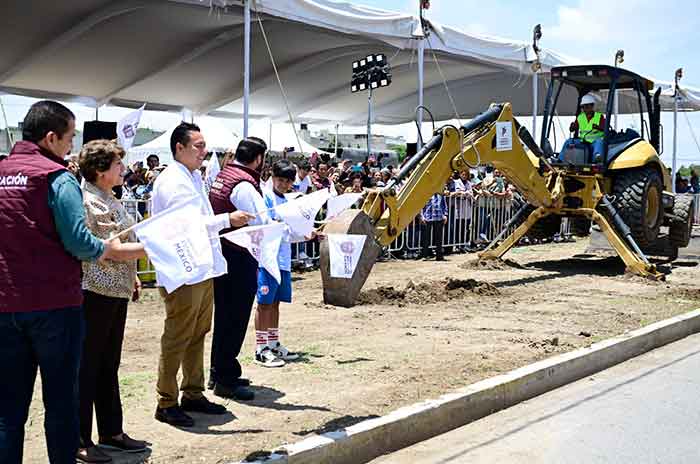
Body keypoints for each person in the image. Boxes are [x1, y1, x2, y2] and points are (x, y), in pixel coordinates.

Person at [0, 101, 141, 464]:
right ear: (50, 137)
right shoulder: (56, 177)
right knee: (60, 403)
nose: (71, 146)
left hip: (5, 304)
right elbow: (79, 242)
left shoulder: (1, 171)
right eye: (69, 137)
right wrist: (106, 249)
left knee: (8, 410)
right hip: (53, 305)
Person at [150, 122, 253, 428]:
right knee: (178, 335)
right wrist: (227, 219)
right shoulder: (173, 181)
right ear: (178, 148)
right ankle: (166, 400)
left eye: (203, 145)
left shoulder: (193, 176)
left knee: (197, 333)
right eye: (197, 145)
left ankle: (192, 392)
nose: (203, 151)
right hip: (183, 268)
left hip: (201, 267)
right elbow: (188, 224)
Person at [77, 140, 149, 463]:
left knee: (109, 364)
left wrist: (133, 274)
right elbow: (112, 249)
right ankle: (80, 437)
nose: (123, 169)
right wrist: (155, 249)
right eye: (117, 164)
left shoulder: (110, 198)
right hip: (95, 292)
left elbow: (124, 242)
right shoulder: (89, 201)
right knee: (88, 366)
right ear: (100, 171)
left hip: (115, 291)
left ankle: (111, 431)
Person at [208, 137, 268, 400]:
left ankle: (218, 370)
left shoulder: (224, 175)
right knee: (234, 317)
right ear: (259, 158)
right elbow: (262, 219)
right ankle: (226, 377)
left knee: (224, 317)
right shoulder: (244, 185)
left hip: (224, 253)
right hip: (238, 255)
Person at [254, 160, 313, 367]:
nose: (284, 184)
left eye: (288, 181)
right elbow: (272, 227)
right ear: (272, 176)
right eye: (280, 180)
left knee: (276, 303)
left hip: (283, 260)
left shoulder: (288, 200)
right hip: (267, 259)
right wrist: (295, 232)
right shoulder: (266, 197)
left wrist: (307, 234)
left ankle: (273, 342)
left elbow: (289, 231)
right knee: (264, 304)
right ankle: (261, 348)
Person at [568, 93, 606, 162]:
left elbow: (605, 129)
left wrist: (598, 127)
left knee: (599, 142)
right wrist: (572, 127)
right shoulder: (580, 117)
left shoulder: (599, 117)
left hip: (594, 142)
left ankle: (597, 158)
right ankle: (560, 159)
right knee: (569, 141)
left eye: (586, 106)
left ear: (592, 106)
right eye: (583, 107)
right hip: (583, 142)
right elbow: (573, 129)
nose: (584, 109)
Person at [420, 192, 448, 261]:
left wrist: (445, 215)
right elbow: (420, 205)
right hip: (427, 217)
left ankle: (439, 255)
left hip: (439, 217)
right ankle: (425, 255)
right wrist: (421, 216)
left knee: (439, 238)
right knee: (426, 238)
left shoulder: (441, 194)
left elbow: (444, 205)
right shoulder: (426, 193)